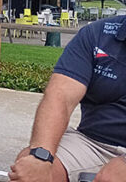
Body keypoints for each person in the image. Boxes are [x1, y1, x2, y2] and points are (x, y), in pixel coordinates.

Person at [8, 16, 126, 182]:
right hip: (92, 143)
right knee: (30, 169)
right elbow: (60, 96)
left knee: (112, 178)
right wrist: (41, 155)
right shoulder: (97, 34)